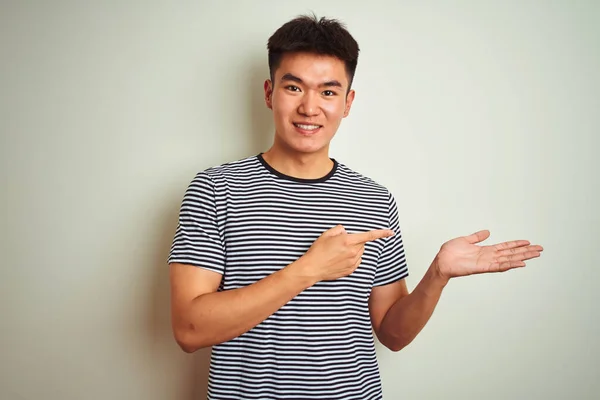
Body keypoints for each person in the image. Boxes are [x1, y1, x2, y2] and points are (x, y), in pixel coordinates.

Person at [168, 14, 543, 400]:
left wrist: (437, 275)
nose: (310, 107)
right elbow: (190, 330)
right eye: (294, 87)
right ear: (269, 92)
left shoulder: (375, 200)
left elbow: (393, 335)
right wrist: (309, 269)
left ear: (347, 102)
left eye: (329, 92)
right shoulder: (217, 189)